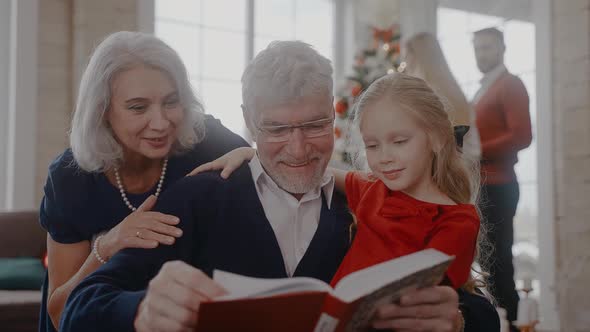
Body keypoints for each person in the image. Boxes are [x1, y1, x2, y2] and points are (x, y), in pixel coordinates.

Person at [60, 41, 499, 332]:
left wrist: (457, 317)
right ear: (248, 123)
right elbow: (81, 305)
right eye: (275, 130)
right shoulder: (200, 196)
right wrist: (140, 310)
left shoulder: (379, 199)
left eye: (314, 125)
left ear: (334, 116)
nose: (298, 149)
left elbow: (480, 309)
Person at [38, 31, 248, 332]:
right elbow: (60, 315)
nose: (161, 123)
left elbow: (281, 162)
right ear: (103, 110)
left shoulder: (206, 140)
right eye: (138, 107)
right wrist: (108, 244)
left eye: (171, 102)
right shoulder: (70, 177)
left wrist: (250, 154)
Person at [196, 73, 482, 292]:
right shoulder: (372, 190)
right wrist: (254, 154)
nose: (384, 158)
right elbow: (313, 169)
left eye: (399, 141)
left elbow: (431, 305)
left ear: (437, 137)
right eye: (372, 145)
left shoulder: (458, 222)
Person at [472, 27, 532, 329]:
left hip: (499, 185)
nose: (481, 53)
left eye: (487, 47)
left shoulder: (510, 84)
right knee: (489, 266)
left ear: (502, 48)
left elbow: (522, 136)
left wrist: (476, 150)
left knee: (498, 267)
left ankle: (513, 325)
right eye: (477, 48)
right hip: (484, 186)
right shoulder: (484, 88)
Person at [404, 32, 481, 163]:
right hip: (464, 168)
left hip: (446, 171)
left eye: (407, 56)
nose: (405, 61)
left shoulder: (429, 94)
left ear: (415, 57)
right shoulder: (453, 91)